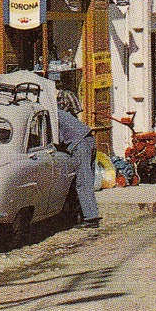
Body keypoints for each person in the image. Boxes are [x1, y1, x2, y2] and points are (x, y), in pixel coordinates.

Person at [56, 90, 101, 228]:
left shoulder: (51, 114)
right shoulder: (59, 113)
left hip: (79, 143)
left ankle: (91, 218)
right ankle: (83, 214)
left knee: (82, 181)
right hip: (89, 138)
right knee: (88, 179)